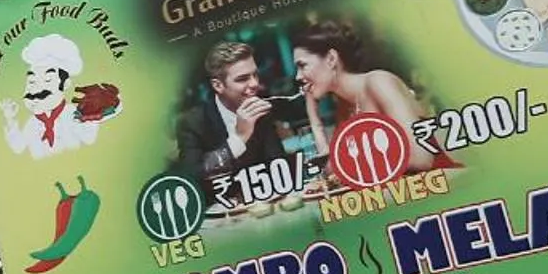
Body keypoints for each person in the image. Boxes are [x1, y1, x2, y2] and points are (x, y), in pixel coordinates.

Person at [291, 19, 428, 172]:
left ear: (331, 59)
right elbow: (333, 170)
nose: (298, 77)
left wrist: (360, 168)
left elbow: (421, 159)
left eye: (302, 66)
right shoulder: (345, 105)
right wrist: (313, 116)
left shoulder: (379, 82)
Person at [175, 41, 289, 187]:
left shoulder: (260, 112)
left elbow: (280, 168)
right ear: (218, 85)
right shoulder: (192, 122)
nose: (254, 84)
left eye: (255, 75)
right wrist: (238, 139)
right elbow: (191, 178)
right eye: (242, 79)